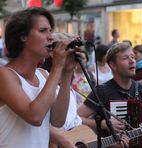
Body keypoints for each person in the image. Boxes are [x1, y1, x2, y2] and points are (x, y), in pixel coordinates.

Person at [0, 7, 82, 148]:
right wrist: (57, 67)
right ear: (23, 36)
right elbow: (35, 117)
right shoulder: (5, 75)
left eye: (50, 31)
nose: (50, 36)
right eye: (43, 31)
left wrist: (67, 72)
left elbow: (58, 120)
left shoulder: (44, 75)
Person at [78, 42, 142, 147]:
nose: (132, 61)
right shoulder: (102, 91)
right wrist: (102, 124)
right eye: (125, 58)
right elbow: (77, 118)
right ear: (113, 65)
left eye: (133, 57)